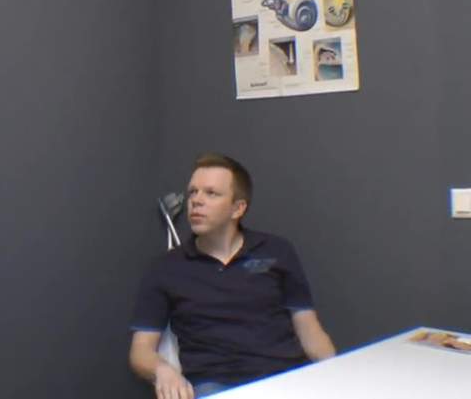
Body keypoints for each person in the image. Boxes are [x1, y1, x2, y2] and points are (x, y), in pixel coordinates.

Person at [129, 153, 335, 399]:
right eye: (193, 192)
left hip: (287, 379)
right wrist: (163, 371)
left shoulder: (277, 250)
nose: (196, 201)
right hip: (217, 386)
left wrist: (337, 375)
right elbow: (141, 351)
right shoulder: (166, 267)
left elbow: (309, 330)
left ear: (238, 208)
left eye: (211, 193)